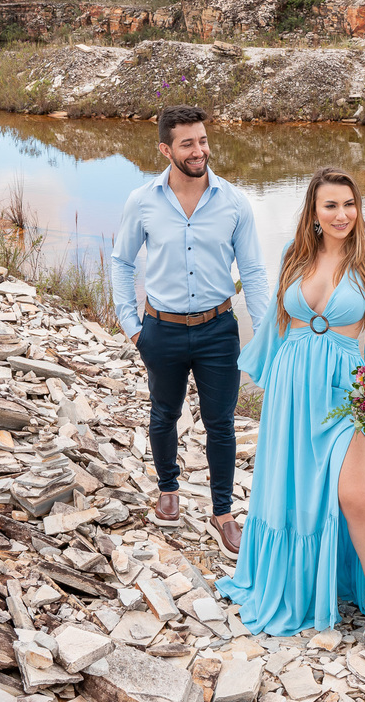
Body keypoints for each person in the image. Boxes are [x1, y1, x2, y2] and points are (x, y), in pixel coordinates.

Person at [215, 167, 365, 642]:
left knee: (356, 495)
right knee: (296, 495)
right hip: (293, 390)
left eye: (349, 204)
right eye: (331, 205)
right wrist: (253, 372)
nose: (342, 214)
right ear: (314, 212)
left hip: (346, 393)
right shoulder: (294, 254)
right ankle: (297, 587)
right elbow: (278, 325)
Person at [111, 105, 269, 560]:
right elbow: (122, 262)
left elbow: (254, 270)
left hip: (219, 329)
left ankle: (223, 513)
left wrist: (263, 331)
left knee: (221, 424)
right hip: (160, 329)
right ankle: (168, 489)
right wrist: (131, 326)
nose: (199, 150)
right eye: (187, 144)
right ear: (166, 149)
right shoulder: (141, 201)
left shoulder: (234, 201)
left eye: (202, 140)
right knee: (164, 414)